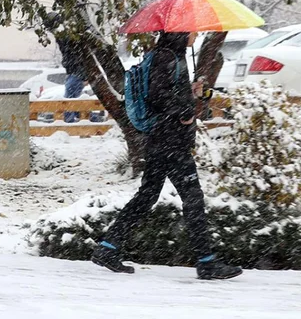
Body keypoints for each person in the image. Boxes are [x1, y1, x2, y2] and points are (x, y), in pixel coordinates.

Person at [91, 31, 242, 280]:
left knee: (147, 195)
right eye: (192, 31)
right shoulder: (166, 57)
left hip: (161, 140)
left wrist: (192, 92)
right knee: (193, 198)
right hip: (170, 142)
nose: (196, 34)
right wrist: (184, 109)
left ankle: (108, 247)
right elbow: (157, 95)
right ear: (180, 33)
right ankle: (206, 262)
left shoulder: (170, 56)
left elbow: (165, 92)